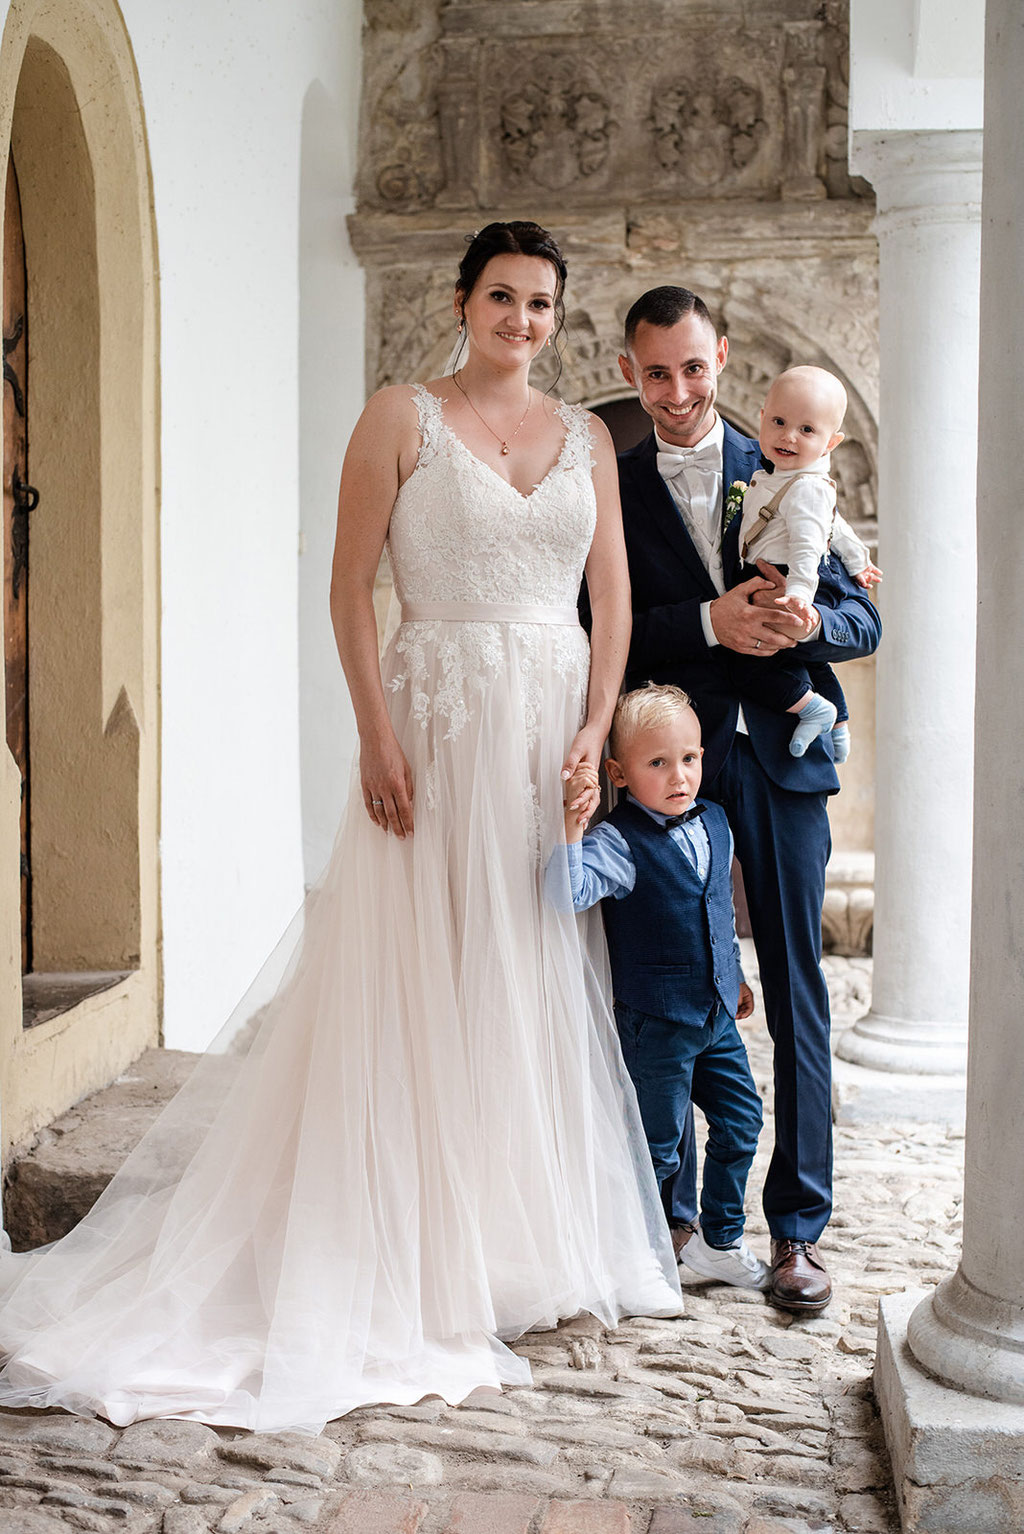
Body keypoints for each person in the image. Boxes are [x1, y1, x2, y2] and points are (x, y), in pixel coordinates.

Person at [0, 222, 681, 1434]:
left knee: (519, 967)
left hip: (544, 732)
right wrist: (374, 733)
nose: (521, 321)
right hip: (432, 720)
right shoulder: (400, 416)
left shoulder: (587, 437)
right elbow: (347, 585)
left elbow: (612, 598)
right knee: (419, 972)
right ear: (462, 301)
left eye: (540, 305)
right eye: (502, 297)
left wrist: (590, 737)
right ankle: (402, 1241)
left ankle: (505, 1239)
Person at [613, 285, 882, 1315]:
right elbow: (607, 628)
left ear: (719, 358)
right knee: (658, 992)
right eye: (655, 373)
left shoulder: (784, 465)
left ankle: (796, 1232)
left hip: (775, 766)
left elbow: (864, 618)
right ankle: (669, 1216)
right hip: (663, 775)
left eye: (693, 368)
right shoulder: (612, 483)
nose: (677, 392)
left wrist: (788, 628)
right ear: (632, 371)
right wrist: (708, 624)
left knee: (797, 989)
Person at [559, 684, 769, 1292]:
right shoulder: (618, 842)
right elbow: (566, 896)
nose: (679, 776)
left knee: (742, 1120)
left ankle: (719, 1240)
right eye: (657, 763)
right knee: (656, 1149)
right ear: (619, 773)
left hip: (715, 1015)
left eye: (689, 758)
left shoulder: (718, 822)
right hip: (656, 1023)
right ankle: (637, 1258)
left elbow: (717, 910)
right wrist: (573, 831)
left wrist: (734, 975)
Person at [726, 365, 883, 763]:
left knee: (747, 658)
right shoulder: (783, 477)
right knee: (795, 657)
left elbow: (811, 545)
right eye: (778, 421)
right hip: (780, 573)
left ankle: (814, 708)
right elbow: (837, 522)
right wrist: (859, 558)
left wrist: (799, 595)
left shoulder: (806, 485)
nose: (788, 436)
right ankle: (840, 721)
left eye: (807, 430)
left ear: (832, 442)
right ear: (761, 417)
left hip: (791, 577)